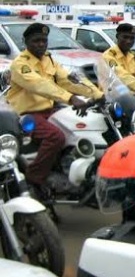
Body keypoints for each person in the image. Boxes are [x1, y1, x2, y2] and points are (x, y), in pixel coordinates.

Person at [7, 23, 104, 195]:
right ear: (26, 42)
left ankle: (69, 172)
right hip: (27, 114)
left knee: (78, 126)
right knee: (55, 137)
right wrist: (70, 98)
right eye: (36, 41)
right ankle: (34, 178)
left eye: (44, 41)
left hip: (50, 110)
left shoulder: (49, 60)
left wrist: (96, 93)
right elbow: (40, 85)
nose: (41, 44)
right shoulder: (21, 64)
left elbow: (69, 80)